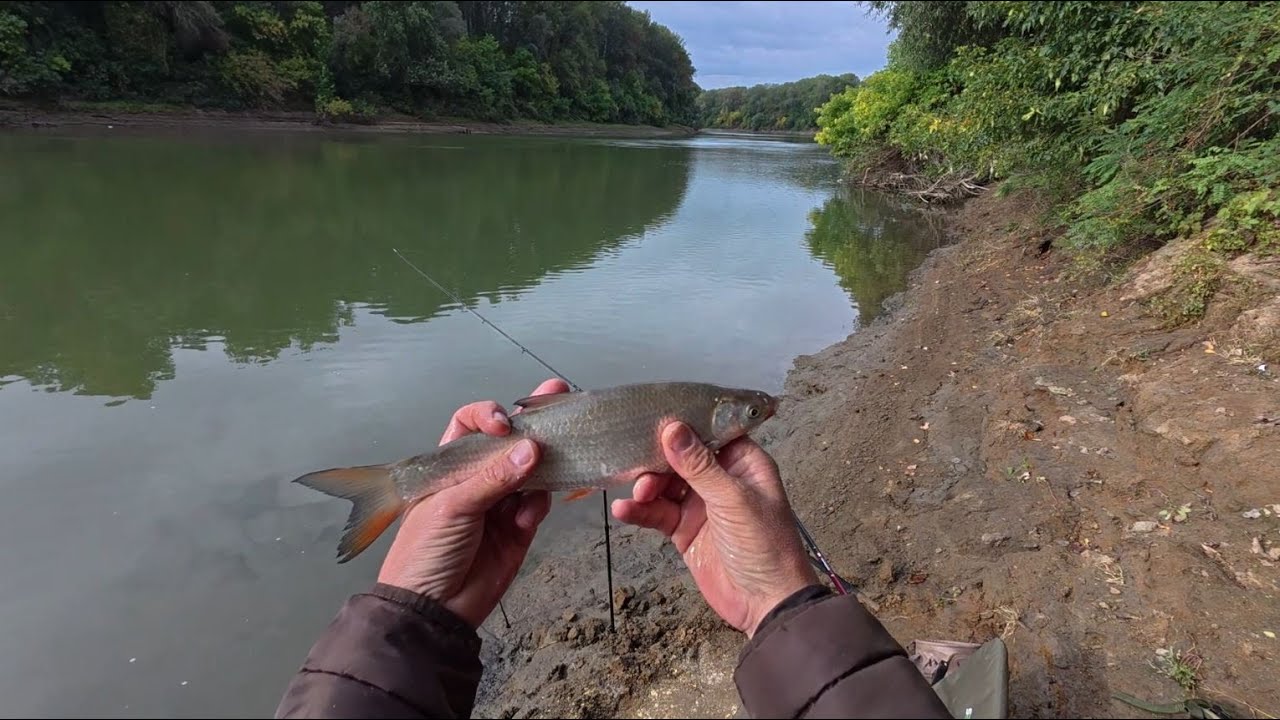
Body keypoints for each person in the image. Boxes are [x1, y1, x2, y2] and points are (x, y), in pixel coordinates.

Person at [274, 379, 952, 719]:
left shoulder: (697, 416)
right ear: (711, 422)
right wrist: (783, 600)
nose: (755, 419)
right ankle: (398, 484)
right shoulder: (696, 415)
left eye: (749, 415)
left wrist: (410, 615)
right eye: (746, 414)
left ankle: (401, 489)